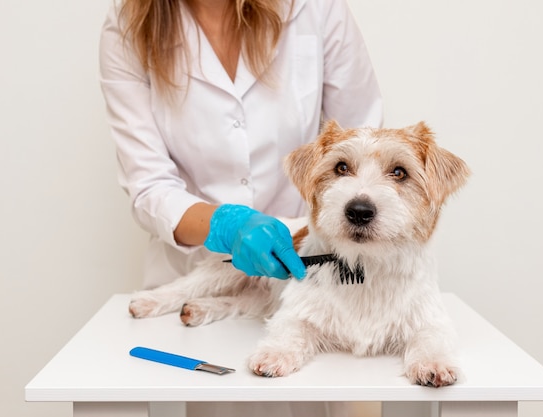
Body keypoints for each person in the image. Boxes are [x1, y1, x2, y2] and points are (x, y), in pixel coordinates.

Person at [99, 0, 382, 415]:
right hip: (199, 271)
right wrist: (227, 224)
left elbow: (363, 142)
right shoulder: (128, 25)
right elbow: (149, 185)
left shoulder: (314, 8)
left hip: (316, 272)